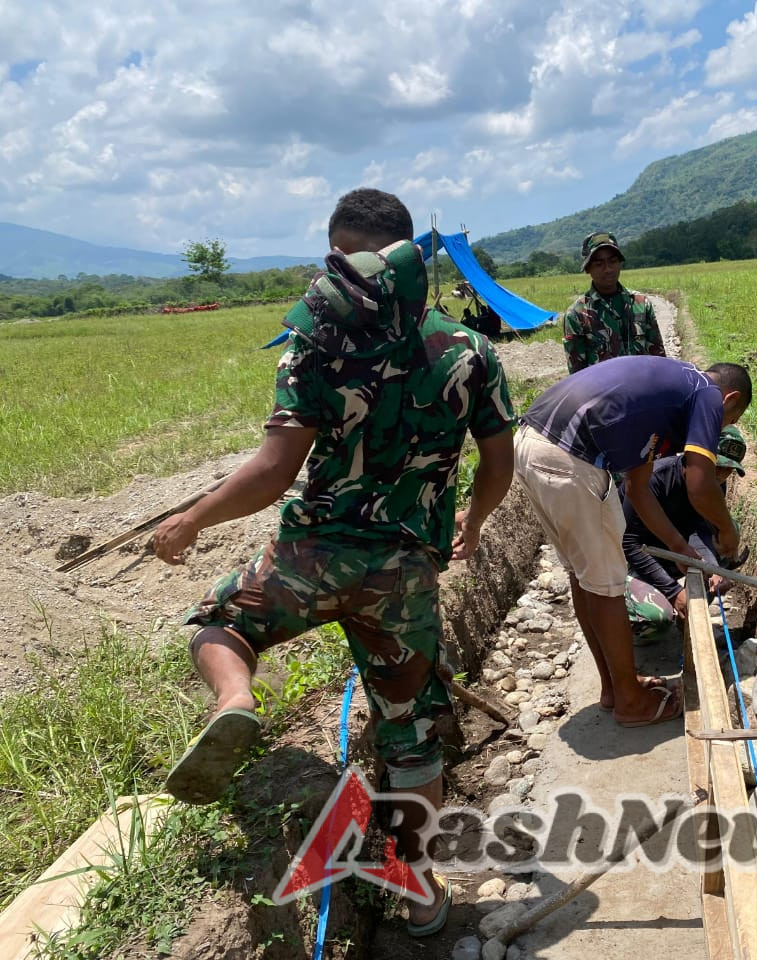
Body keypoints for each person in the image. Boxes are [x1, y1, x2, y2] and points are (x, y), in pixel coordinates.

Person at [152, 187, 515, 937]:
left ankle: (234, 704)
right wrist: (471, 526)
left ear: (343, 251)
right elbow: (499, 460)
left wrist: (190, 517)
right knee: (409, 730)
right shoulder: (470, 351)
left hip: (311, 554)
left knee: (220, 622)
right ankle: (419, 895)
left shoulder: (316, 344)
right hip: (405, 573)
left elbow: (274, 470)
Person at [514, 355, 752, 727]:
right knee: (607, 584)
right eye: (729, 421)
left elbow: (639, 490)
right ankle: (630, 702)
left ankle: (615, 687)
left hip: (533, 444)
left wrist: (679, 547)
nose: (718, 427)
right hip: (570, 458)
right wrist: (729, 531)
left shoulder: (665, 401)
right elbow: (700, 484)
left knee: (584, 576)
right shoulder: (707, 393)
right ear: (730, 400)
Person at [623, 426, 748, 636]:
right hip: (633, 558)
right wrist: (673, 592)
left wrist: (713, 566)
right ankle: (627, 617)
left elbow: (699, 526)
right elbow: (628, 543)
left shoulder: (713, 484)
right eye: (716, 467)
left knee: (725, 536)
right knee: (655, 619)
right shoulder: (653, 479)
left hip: (674, 552)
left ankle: (687, 617)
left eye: (728, 470)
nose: (721, 475)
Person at [562, 230, 666, 373]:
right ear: (588, 269)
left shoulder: (640, 303)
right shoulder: (577, 315)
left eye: (613, 261)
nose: (608, 269)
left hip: (642, 390)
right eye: (599, 264)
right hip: (602, 394)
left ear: (620, 263)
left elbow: (659, 357)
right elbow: (577, 375)